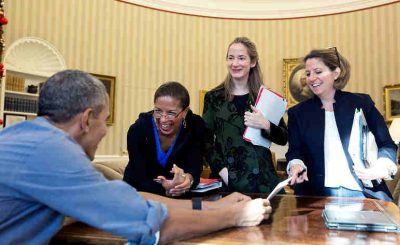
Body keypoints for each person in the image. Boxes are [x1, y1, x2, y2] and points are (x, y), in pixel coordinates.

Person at [0, 70, 273, 244]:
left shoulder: (30, 139)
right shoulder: (53, 154)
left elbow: (128, 198)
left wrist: (217, 207)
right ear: (86, 120)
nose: (104, 133)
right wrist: (236, 216)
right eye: (105, 121)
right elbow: (153, 225)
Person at [286, 48, 398, 201]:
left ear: (336, 73)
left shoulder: (362, 103)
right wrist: (295, 165)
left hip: (364, 193)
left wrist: (381, 167)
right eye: (308, 73)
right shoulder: (297, 113)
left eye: (318, 72)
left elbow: (386, 144)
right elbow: (295, 151)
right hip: (315, 195)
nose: (311, 78)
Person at [203, 37, 288, 193]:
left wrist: (266, 124)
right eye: (231, 58)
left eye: (241, 58)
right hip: (228, 182)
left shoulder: (265, 97)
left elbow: (283, 138)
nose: (235, 63)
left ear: (253, 62)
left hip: (263, 181)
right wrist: (222, 171)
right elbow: (205, 141)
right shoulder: (213, 97)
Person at [123, 81, 203, 197]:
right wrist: (165, 190)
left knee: (202, 209)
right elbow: (139, 177)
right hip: (138, 195)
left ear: (185, 112)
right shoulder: (138, 130)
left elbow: (195, 169)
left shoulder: (195, 126)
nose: (163, 119)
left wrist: (187, 180)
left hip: (179, 195)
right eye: (158, 111)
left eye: (171, 113)